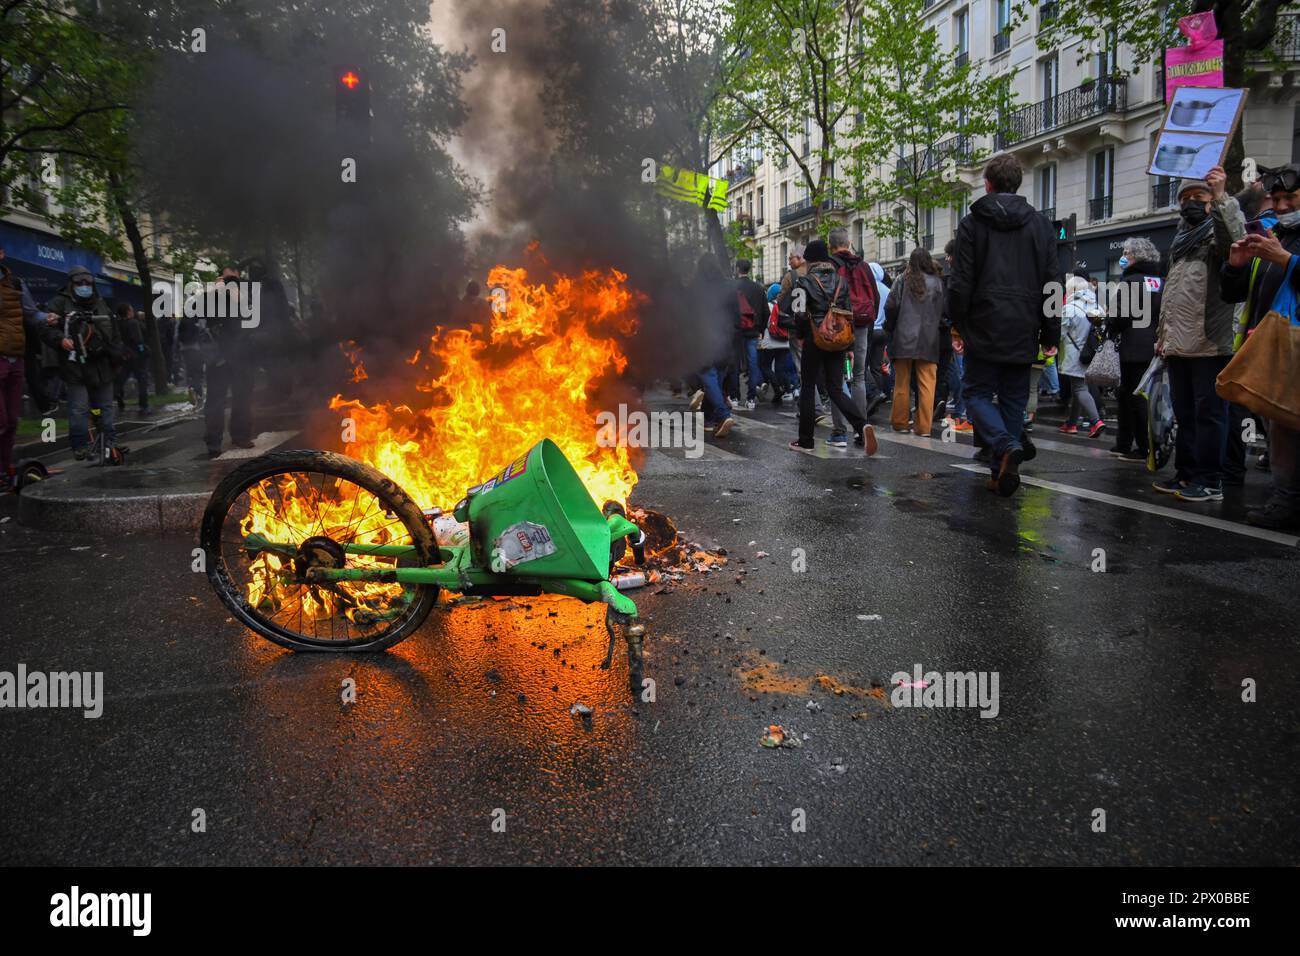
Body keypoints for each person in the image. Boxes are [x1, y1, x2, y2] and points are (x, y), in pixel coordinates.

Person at [947, 154, 1061, 497]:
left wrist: (958, 323)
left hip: (983, 322)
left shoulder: (971, 224)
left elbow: (960, 281)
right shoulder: (1041, 226)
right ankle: (1001, 470)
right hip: (1024, 325)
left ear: (988, 184)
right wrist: (1050, 331)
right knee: (1013, 399)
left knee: (976, 393)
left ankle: (1004, 445)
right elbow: (1052, 282)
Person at [1152, 166, 1244, 502]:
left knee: (1209, 415)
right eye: (1185, 198)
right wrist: (1163, 336)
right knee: (1185, 413)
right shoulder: (1179, 244)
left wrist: (1221, 197)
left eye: (1199, 198)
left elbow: (1235, 240)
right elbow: (1171, 300)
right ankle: (1187, 473)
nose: (1191, 203)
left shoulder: (1216, 240)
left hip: (1210, 344)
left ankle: (1210, 480)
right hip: (1178, 346)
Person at [1220, 162, 1300, 529]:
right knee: (1278, 426)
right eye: (1277, 198)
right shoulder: (1276, 236)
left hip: (1293, 344)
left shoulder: (1283, 246)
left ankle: (1287, 501)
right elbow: (1238, 293)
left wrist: (1286, 261)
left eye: (1291, 198)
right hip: (1272, 345)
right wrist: (1236, 266)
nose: (1282, 206)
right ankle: (1285, 500)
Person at [785, 239, 876, 454]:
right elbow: (848, 314)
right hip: (837, 338)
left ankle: (806, 440)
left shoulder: (803, 282)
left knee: (808, 387)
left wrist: (799, 335)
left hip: (814, 338)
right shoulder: (841, 281)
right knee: (836, 388)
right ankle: (861, 425)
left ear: (809, 261)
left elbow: (798, 314)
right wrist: (850, 346)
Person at [41, 266, 121, 461]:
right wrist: (61, 339)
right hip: (75, 363)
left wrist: (117, 351)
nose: (84, 286)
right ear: (71, 284)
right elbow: (46, 329)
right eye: (79, 283)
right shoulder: (59, 303)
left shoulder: (101, 303)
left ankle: (110, 441)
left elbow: (114, 330)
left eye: (87, 282)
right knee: (79, 406)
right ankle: (80, 444)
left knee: (106, 405)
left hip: (101, 362)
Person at [826, 227, 885, 447]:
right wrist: (868, 323)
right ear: (849, 243)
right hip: (861, 325)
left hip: (838, 325)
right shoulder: (864, 267)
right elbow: (875, 297)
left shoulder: (830, 266)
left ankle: (840, 431)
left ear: (830, 244)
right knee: (859, 375)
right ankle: (861, 429)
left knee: (836, 378)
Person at [1105, 237, 1163, 461]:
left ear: (1137, 256)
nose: (1124, 257)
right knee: (1144, 397)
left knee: (1130, 398)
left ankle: (1133, 445)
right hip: (1153, 345)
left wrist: (1110, 321)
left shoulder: (1130, 281)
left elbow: (1120, 315)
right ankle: (1143, 444)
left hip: (1130, 345)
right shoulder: (1159, 281)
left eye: (1128, 253)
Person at [883, 247, 945, 437]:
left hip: (903, 338)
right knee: (927, 385)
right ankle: (923, 427)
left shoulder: (903, 279)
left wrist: (891, 327)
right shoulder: (937, 283)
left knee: (901, 383)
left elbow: (890, 305)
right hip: (929, 339)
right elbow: (944, 311)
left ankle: (900, 422)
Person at [0, 247, 46, 489]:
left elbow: (31, 313)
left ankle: (4, 469)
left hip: (16, 356)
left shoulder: (17, 283)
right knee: (1, 419)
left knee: (12, 421)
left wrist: (48, 318)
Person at [204, 266, 256, 458]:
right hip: (219, 356)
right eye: (227, 278)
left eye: (232, 278)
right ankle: (214, 442)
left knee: (241, 398)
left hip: (239, 356)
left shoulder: (243, 293)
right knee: (217, 401)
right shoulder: (214, 294)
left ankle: (239, 436)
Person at [690, 254, 735, 437]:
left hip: (705, 338)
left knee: (708, 377)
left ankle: (723, 415)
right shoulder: (728, 286)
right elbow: (737, 316)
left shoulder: (696, 289)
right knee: (716, 380)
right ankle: (709, 419)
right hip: (726, 338)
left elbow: (689, 315)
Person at [1058, 274, 1106, 437]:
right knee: (1078, 387)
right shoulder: (1098, 307)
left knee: (1079, 387)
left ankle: (1096, 421)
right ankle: (1071, 423)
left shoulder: (1069, 308)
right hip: (1093, 354)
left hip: (1075, 354)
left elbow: (1061, 333)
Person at [733, 259, 768, 409]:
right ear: (749, 269)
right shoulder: (759, 289)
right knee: (753, 364)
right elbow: (766, 312)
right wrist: (761, 330)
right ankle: (751, 398)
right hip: (753, 331)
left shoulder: (732, 287)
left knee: (734, 363)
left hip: (735, 330)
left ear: (737, 269)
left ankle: (734, 396)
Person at [757, 281, 797, 405]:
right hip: (785, 342)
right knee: (780, 368)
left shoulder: (768, 305)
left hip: (771, 342)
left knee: (765, 366)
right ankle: (788, 391)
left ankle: (776, 389)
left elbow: (764, 321)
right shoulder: (787, 305)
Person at [112, 303, 151, 416]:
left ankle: (116, 396)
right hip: (137, 357)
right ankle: (144, 406)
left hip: (125, 356)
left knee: (121, 379)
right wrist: (142, 350)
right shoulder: (133, 323)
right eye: (131, 310)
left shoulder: (118, 324)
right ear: (128, 312)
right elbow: (138, 340)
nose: (133, 312)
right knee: (142, 381)